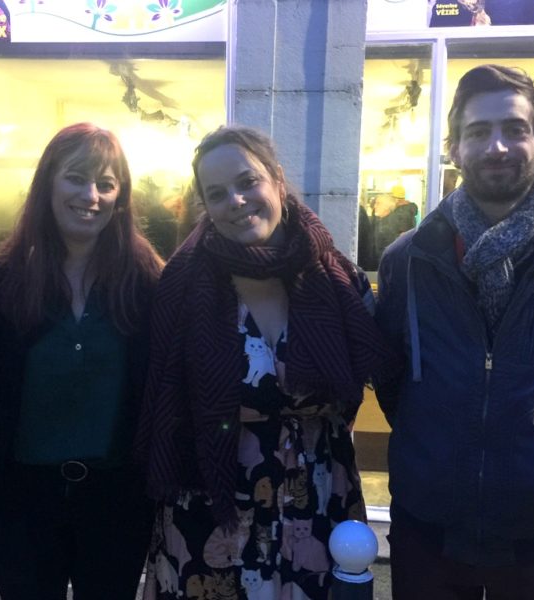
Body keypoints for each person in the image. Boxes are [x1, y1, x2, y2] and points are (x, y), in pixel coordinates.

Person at [375, 64, 534, 599]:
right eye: (478, 132)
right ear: (453, 148)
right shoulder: (408, 262)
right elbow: (393, 378)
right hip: (431, 532)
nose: (496, 147)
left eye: (514, 130)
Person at [136, 125, 396, 599]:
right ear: (206, 207)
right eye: (217, 194)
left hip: (319, 503)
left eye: (247, 182)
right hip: (213, 512)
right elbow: (161, 402)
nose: (236, 201)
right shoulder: (179, 286)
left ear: (276, 179)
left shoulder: (339, 282)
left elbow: (370, 386)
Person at [0, 123, 163, 600]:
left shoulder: (149, 286)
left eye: (106, 183)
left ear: (121, 197)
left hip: (118, 501)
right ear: (48, 184)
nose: (91, 195)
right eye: (76, 178)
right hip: (20, 503)